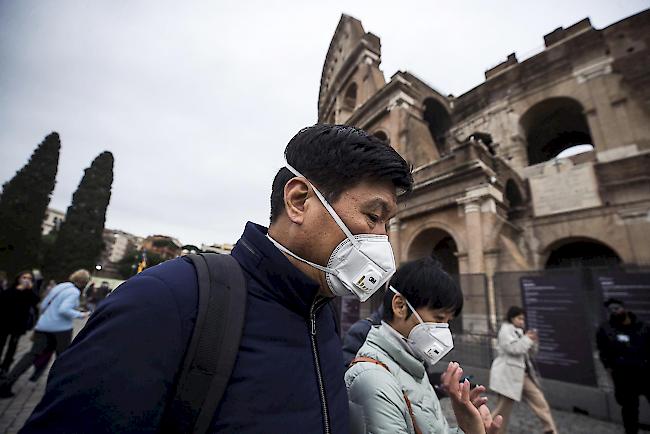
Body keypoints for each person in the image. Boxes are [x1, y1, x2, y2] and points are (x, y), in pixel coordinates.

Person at [17, 124, 413, 433]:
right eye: (373, 217)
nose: (382, 239)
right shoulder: (165, 302)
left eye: (387, 223)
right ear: (299, 201)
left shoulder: (321, 313)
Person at [346, 257, 502, 434]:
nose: (445, 330)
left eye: (448, 322)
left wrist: (467, 428)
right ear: (400, 306)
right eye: (439, 319)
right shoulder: (373, 380)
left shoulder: (412, 365)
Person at [0, 269, 90, 398]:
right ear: (84, 282)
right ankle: (58, 386)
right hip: (61, 329)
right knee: (62, 357)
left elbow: (43, 305)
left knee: (32, 354)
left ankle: (7, 383)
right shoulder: (74, 292)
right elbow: (64, 309)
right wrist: (81, 314)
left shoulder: (60, 286)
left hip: (44, 325)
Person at [489, 306, 557, 434]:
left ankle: (550, 429)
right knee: (503, 409)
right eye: (519, 318)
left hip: (522, 375)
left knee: (539, 401)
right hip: (508, 375)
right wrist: (527, 339)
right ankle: (489, 430)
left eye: (523, 319)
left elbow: (529, 353)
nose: (522, 321)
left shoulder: (519, 331)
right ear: (512, 318)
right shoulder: (505, 330)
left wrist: (533, 341)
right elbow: (514, 349)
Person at [596, 298, 650, 434]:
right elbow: (603, 351)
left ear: (624, 308)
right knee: (629, 409)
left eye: (617, 308)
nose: (614, 311)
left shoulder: (642, 326)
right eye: (611, 309)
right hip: (623, 375)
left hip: (645, 372)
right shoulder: (606, 329)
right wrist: (610, 368)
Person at [0, 271, 39, 374]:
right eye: (24, 277)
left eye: (29, 278)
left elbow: (35, 301)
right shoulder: (12, 289)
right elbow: (4, 299)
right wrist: (18, 290)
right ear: (19, 278)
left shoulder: (30, 292)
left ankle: (5, 366)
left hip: (19, 324)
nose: (26, 280)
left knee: (13, 346)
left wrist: (30, 290)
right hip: (5, 322)